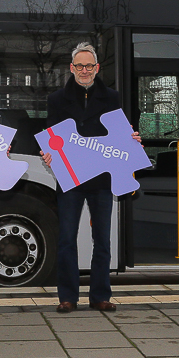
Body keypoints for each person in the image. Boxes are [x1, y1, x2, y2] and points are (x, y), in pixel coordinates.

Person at [41, 42, 141, 313]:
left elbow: (121, 132)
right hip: (70, 178)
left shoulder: (112, 98)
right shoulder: (56, 100)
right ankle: (67, 297)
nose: (84, 70)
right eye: (79, 66)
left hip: (101, 179)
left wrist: (132, 140)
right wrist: (47, 152)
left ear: (97, 69)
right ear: (71, 69)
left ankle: (100, 296)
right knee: (65, 239)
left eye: (89, 66)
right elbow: (52, 138)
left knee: (103, 239)